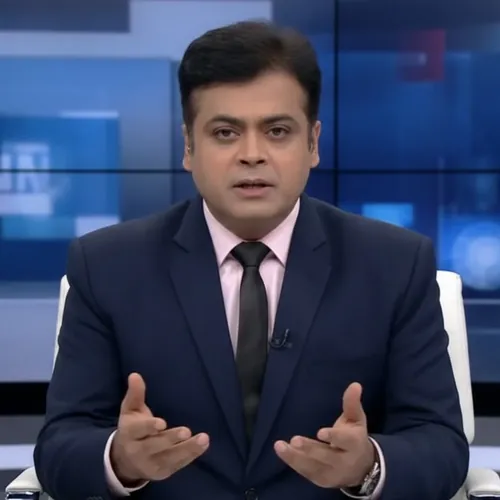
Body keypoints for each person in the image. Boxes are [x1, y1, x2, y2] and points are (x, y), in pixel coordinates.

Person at [34, 21, 469, 500]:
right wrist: (119, 458)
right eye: (225, 132)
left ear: (313, 143)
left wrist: (367, 466)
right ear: (188, 146)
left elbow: (441, 444)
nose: (252, 155)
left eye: (277, 131)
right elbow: (60, 446)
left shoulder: (395, 264)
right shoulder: (107, 265)